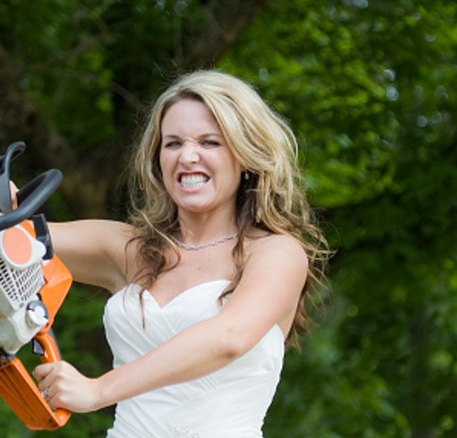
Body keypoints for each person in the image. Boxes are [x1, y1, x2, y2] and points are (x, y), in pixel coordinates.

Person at [30, 70, 331, 437]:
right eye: (173, 144)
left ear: (246, 155)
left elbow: (228, 337)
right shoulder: (127, 249)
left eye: (209, 142)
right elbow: (9, 239)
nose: (188, 157)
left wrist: (98, 390)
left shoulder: (276, 253)